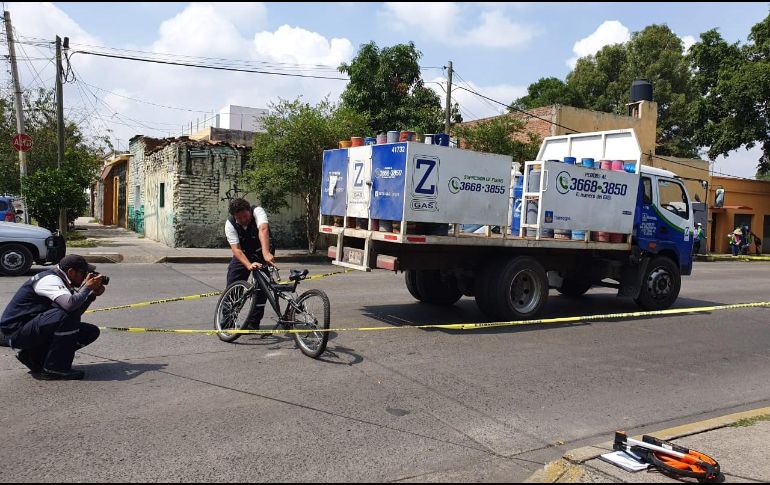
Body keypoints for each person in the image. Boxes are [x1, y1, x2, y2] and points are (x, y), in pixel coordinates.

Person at [0, 254, 104, 380]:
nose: (85, 277)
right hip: (16, 331)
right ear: (71, 272)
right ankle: (55, 369)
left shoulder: (63, 281)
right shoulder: (50, 280)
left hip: (30, 327)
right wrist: (87, 287)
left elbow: (74, 313)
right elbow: (70, 307)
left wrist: (92, 296)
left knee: (90, 332)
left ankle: (33, 357)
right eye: (83, 273)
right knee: (65, 314)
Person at [224, 198, 275, 331]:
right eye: (239, 218)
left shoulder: (258, 211)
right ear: (234, 216)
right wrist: (248, 265)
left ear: (249, 211)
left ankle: (253, 323)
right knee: (233, 285)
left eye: (245, 216)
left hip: (262, 251)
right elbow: (236, 249)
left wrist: (266, 253)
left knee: (262, 289)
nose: (243, 220)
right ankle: (227, 322)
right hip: (243, 253)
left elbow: (263, 229)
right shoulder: (230, 224)